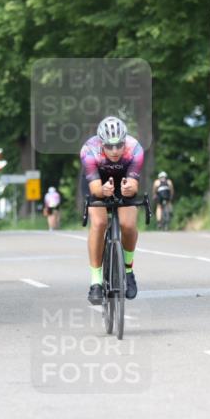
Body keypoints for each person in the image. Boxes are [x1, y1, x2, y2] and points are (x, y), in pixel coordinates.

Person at [81, 116, 144, 305]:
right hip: (97, 182)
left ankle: (128, 271)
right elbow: (95, 189)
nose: (115, 151)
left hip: (123, 181)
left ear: (125, 141)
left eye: (119, 145)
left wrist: (128, 189)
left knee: (128, 224)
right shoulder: (88, 150)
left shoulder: (135, 149)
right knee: (99, 223)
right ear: (101, 143)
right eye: (109, 146)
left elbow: (133, 185)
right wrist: (102, 191)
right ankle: (95, 281)